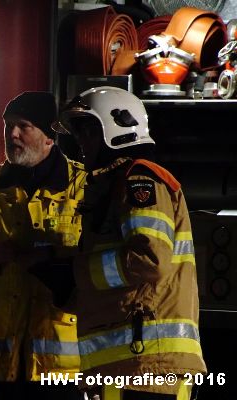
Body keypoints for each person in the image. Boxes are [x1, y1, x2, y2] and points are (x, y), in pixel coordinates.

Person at [54, 86, 206, 400]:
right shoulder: (109, 188)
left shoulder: (141, 180)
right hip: (128, 367)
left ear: (116, 128)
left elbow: (150, 259)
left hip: (149, 365)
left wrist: (74, 272)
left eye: (87, 131)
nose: (80, 141)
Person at [0, 91, 87, 399]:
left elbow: (97, 264)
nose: (12, 134)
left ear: (50, 135)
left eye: (23, 126)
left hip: (60, 366)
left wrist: (51, 259)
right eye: (8, 125)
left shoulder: (84, 188)